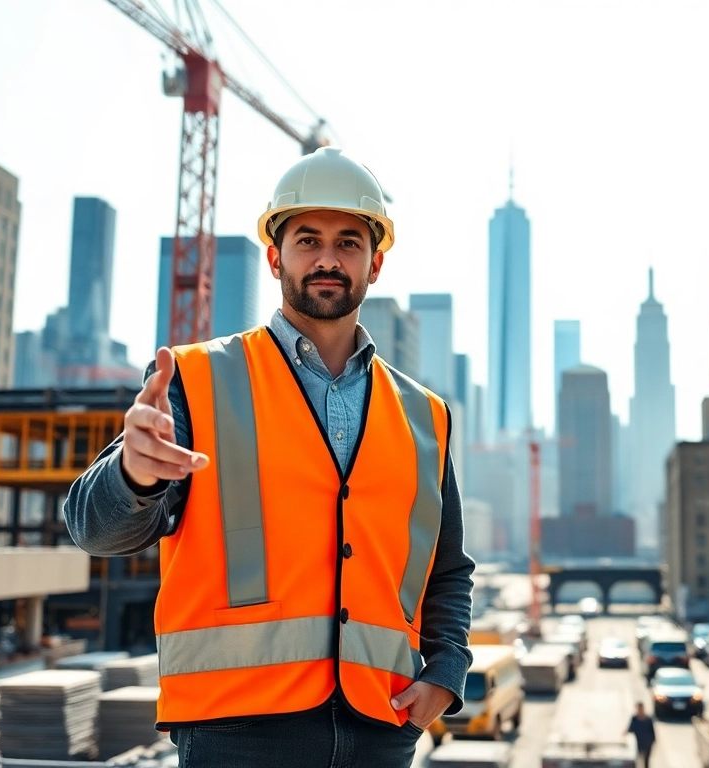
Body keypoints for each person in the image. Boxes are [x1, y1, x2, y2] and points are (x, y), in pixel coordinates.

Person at [64, 146, 474, 768]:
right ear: (274, 256)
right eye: (307, 240)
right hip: (236, 732)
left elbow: (446, 570)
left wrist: (446, 668)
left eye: (349, 242)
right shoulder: (196, 379)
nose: (328, 259)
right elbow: (95, 529)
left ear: (376, 263)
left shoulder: (426, 416)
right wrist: (134, 475)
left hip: (380, 728)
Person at [625, 702, 657, 768]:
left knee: (646, 761)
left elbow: (652, 732)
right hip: (638, 743)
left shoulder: (648, 720)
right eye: (638, 709)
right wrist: (625, 732)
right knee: (638, 760)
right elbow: (631, 729)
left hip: (647, 743)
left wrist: (653, 742)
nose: (639, 711)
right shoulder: (634, 719)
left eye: (640, 709)